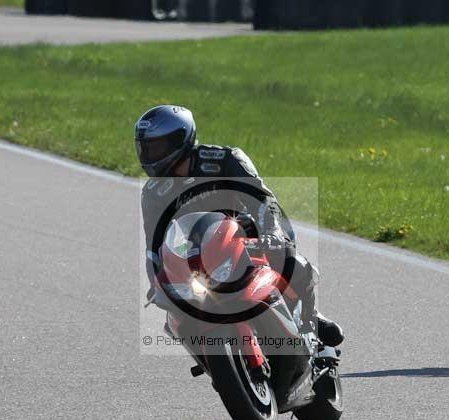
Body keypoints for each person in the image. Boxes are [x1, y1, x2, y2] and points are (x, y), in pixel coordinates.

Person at [136, 104, 343, 347]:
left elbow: (263, 198)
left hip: (249, 234)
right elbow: (154, 244)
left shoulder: (225, 159)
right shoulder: (153, 192)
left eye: (156, 147)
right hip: (198, 252)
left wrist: (272, 233)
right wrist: (155, 282)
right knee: (176, 315)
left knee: (292, 261)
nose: (149, 155)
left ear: (180, 139)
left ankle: (310, 317)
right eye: (145, 148)